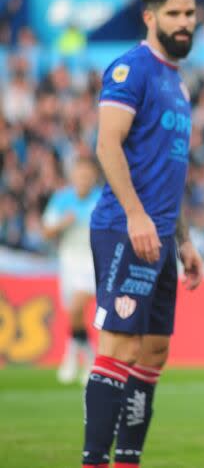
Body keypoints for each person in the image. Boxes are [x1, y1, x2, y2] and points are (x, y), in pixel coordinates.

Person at [82, 0, 204, 468]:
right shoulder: (130, 69)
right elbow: (106, 145)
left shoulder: (177, 83)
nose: (184, 23)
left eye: (190, 14)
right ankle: (95, 460)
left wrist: (186, 240)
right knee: (118, 345)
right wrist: (135, 215)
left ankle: (128, 460)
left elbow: (171, 171)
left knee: (153, 352)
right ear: (150, 18)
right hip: (124, 228)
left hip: (161, 234)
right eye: (174, 14)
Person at [42, 156, 102, 385]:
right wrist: (62, 223)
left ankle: (72, 357)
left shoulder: (100, 199)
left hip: (91, 262)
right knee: (73, 314)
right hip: (68, 262)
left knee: (77, 307)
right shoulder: (62, 199)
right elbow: (46, 231)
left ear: (93, 177)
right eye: (80, 174)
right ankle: (86, 355)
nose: (83, 179)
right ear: (73, 176)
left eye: (87, 175)